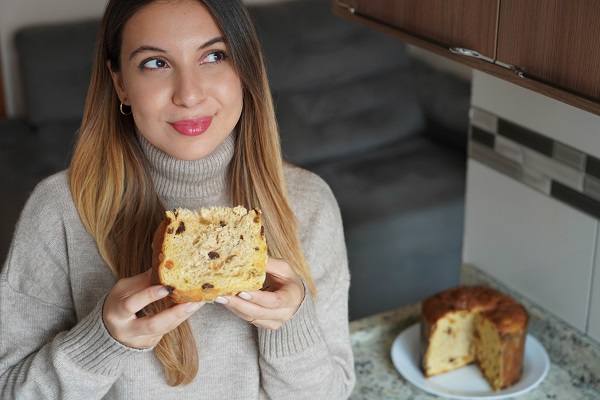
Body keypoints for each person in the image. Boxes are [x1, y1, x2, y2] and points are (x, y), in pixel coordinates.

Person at [0, 0, 355, 398]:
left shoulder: (308, 203)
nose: (189, 94)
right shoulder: (58, 210)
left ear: (246, 71)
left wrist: (291, 323)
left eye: (214, 55)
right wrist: (101, 341)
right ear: (120, 84)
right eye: (155, 63)